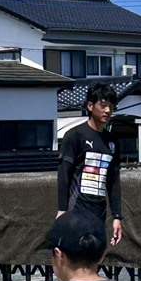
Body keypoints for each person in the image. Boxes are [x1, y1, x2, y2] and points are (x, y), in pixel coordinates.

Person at [57, 82, 123, 246]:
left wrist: (117, 217)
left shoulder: (112, 141)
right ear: (90, 106)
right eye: (103, 105)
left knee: (95, 258)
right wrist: (62, 209)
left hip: (99, 212)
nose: (108, 111)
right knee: (75, 259)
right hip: (77, 209)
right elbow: (63, 173)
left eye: (111, 106)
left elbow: (113, 181)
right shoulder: (75, 135)